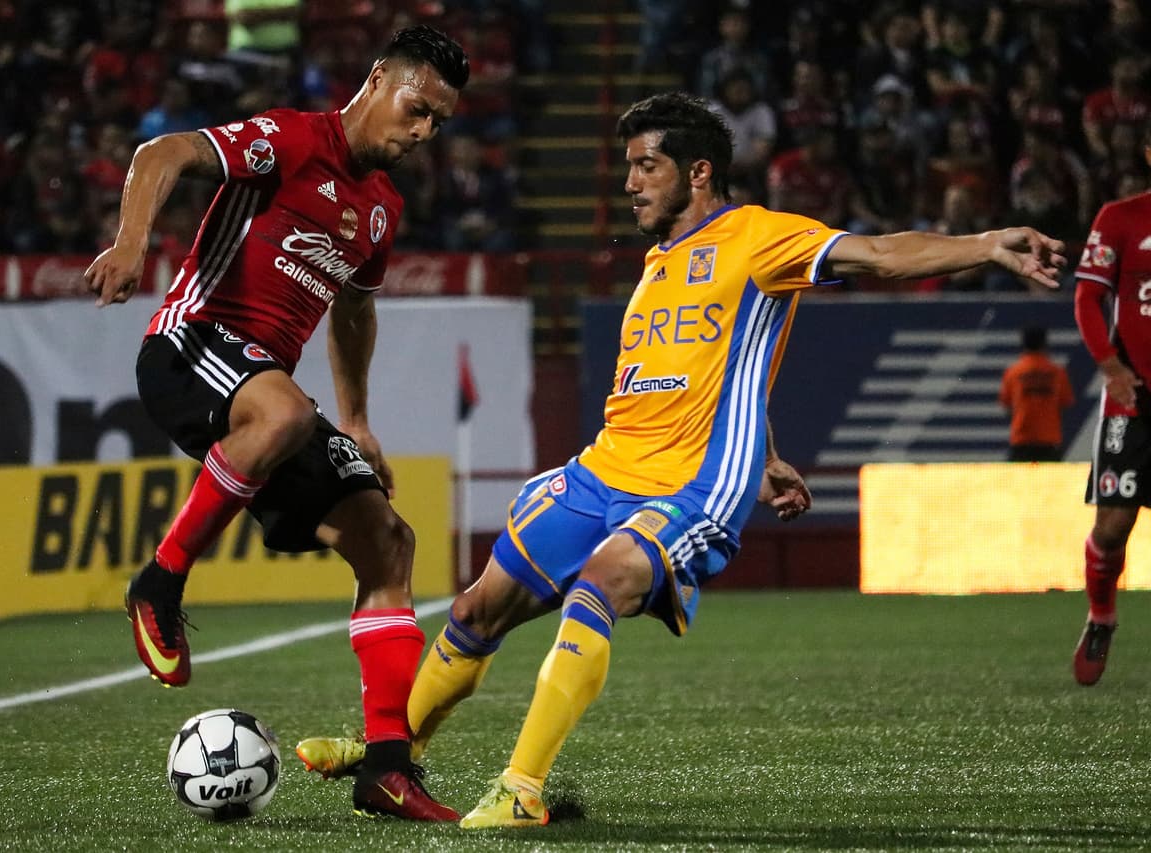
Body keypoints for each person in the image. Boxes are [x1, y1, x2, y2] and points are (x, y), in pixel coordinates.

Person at [295, 92, 1066, 829]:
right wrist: (765, 451)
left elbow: (880, 253)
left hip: (690, 485)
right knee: (475, 610)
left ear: (698, 172)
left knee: (598, 584)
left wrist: (987, 243)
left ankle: (523, 787)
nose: (629, 183)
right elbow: (716, 373)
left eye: (646, 166)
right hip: (605, 468)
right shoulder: (660, 261)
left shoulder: (760, 237)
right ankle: (393, 756)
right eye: (628, 167)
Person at [83, 25, 469, 822]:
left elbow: (354, 310)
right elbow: (162, 154)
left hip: (267, 393)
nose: (424, 131)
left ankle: (387, 768)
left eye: (439, 122)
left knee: (387, 538)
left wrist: (357, 419)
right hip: (188, 346)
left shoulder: (381, 209)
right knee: (286, 410)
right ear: (377, 80)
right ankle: (160, 580)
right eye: (418, 107)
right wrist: (130, 241)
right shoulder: (294, 139)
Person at [1070, 120, 1151, 687]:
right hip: (1134, 398)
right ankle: (1101, 617)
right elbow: (1087, 298)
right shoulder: (1119, 218)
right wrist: (1111, 366)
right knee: (1113, 525)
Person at [999, 326, 1074, 461]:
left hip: (1021, 440)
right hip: (1049, 440)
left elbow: (1006, 404)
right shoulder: (1057, 372)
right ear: (1044, 344)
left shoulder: (1013, 372)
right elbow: (1065, 402)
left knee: (1019, 482)